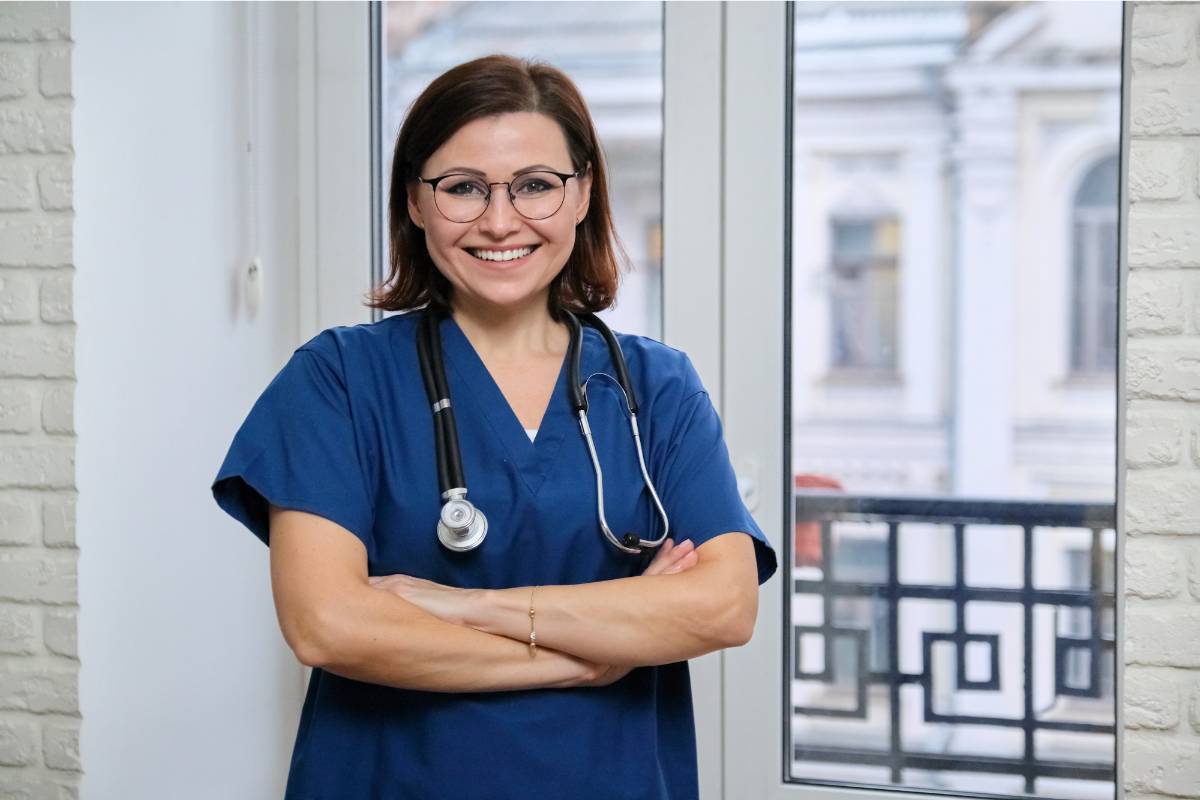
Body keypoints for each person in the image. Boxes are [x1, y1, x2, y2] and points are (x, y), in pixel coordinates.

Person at [211, 54, 777, 800]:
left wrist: (463, 604)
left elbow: (723, 606)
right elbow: (328, 624)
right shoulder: (338, 380)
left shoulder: (656, 388)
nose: (500, 220)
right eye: (463, 188)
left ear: (582, 196)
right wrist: (590, 653)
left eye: (537, 186)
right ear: (415, 203)